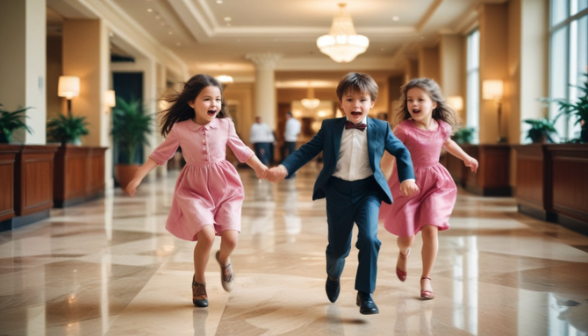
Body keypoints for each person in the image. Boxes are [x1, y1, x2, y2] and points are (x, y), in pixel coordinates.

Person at [266, 72, 419, 315]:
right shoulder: (329, 127)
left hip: (368, 190)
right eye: (349, 99)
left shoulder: (381, 128)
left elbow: (402, 152)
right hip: (337, 190)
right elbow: (306, 151)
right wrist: (284, 168)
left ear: (372, 103)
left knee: (369, 239)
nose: (356, 105)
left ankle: (365, 294)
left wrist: (408, 177)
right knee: (338, 249)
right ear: (341, 104)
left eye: (362, 100)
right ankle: (333, 275)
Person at [125, 74, 268, 308]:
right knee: (207, 235)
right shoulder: (180, 129)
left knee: (231, 239)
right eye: (207, 99)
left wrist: (262, 169)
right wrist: (138, 177)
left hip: (225, 187)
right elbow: (159, 155)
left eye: (218, 99)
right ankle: (199, 282)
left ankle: (224, 260)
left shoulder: (225, 124)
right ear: (191, 102)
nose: (214, 104)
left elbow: (242, 151)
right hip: (193, 189)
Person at [379, 78, 478, 300]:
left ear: (433, 104)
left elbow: (448, 143)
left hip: (435, 182)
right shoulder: (403, 129)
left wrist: (466, 157)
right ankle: (404, 253)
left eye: (420, 99)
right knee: (407, 237)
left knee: (430, 227)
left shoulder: (442, 127)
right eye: (410, 100)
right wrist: (381, 181)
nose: (414, 103)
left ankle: (426, 278)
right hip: (407, 183)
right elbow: (387, 158)